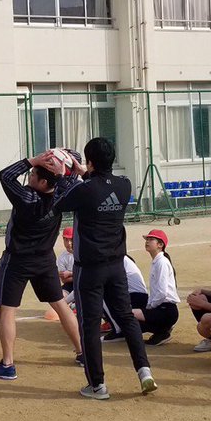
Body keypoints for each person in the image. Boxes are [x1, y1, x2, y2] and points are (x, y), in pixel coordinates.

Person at [51, 138, 157, 399]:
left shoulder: (84, 190)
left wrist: (64, 176)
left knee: (88, 323)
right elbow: (100, 185)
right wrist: (83, 173)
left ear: (91, 161)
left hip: (90, 268)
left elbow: (58, 203)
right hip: (116, 265)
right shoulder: (124, 185)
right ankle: (144, 371)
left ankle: (97, 384)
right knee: (126, 318)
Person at [0, 154, 83, 382]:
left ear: (43, 182)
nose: (30, 174)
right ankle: (82, 352)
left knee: (7, 309)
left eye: (34, 174)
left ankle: (8, 363)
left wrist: (33, 159)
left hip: (17, 259)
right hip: (44, 259)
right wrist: (64, 168)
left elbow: (5, 175)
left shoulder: (27, 198)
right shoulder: (61, 194)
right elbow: (71, 178)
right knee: (59, 304)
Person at [133, 230, 180, 346]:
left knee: (128, 315)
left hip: (165, 310)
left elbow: (162, 293)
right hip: (162, 308)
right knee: (132, 317)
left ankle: (162, 330)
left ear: (160, 245)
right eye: (147, 240)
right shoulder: (157, 261)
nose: (147, 242)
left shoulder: (162, 262)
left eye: (151, 240)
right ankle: (162, 331)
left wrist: (150, 307)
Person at [57, 227, 75, 295]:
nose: (69, 243)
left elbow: (87, 275)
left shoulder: (83, 253)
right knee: (59, 297)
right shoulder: (61, 258)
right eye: (66, 240)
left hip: (86, 283)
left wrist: (70, 274)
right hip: (70, 285)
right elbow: (64, 280)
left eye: (71, 240)